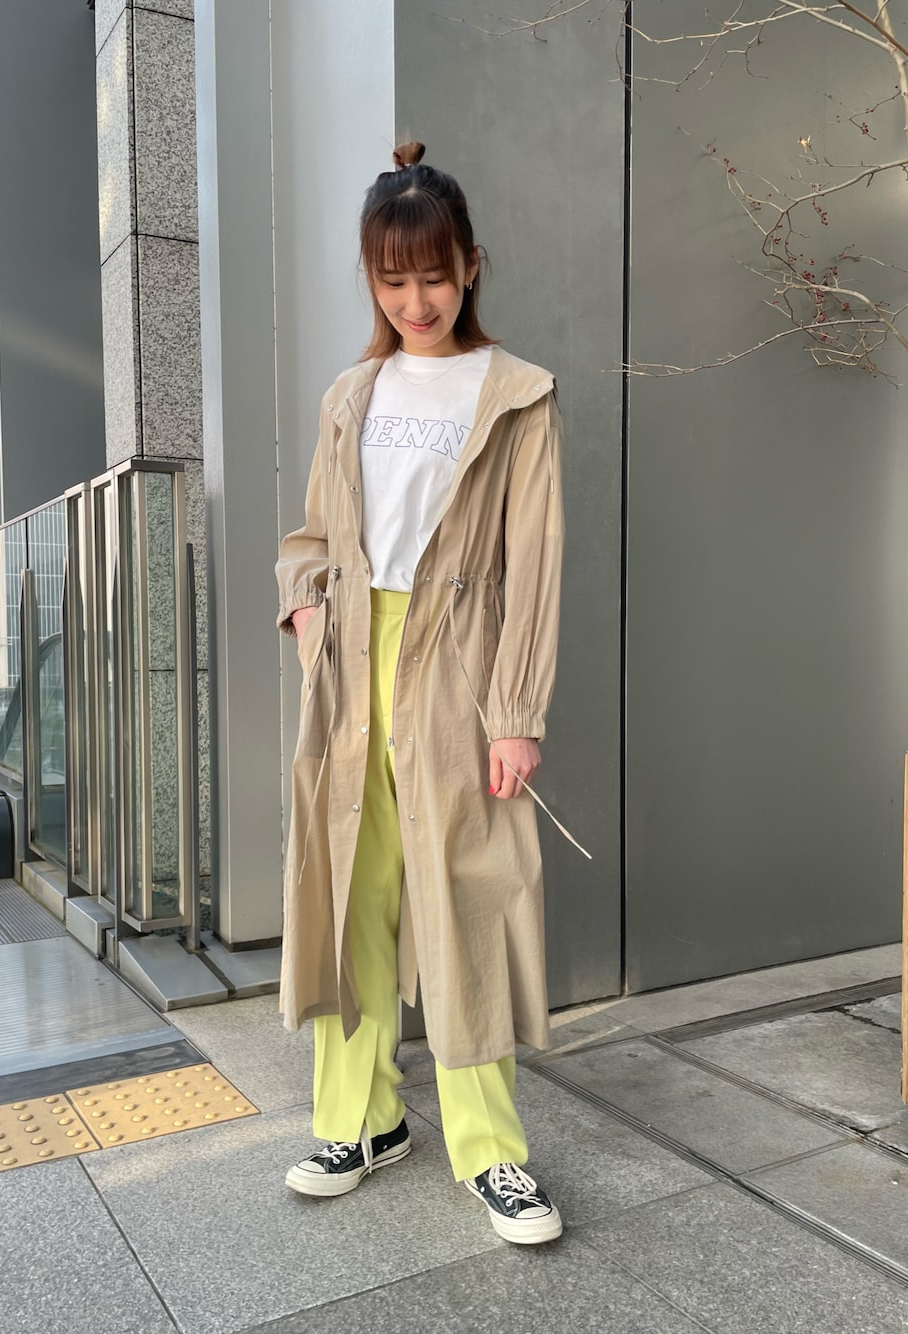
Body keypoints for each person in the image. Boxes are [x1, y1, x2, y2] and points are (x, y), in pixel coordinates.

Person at [275, 142, 564, 1246]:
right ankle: (361, 1121)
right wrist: (310, 615)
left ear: (470, 266)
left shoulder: (517, 394)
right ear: (370, 278)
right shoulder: (351, 394)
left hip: (460, 665)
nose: (415, 301)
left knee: (468, 904)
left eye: (433, 276)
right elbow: (310, 537)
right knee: (353, 897)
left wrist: (515, 711)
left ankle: (490, 1151)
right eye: (392, 280)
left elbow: (533, 560)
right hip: (354, 665)